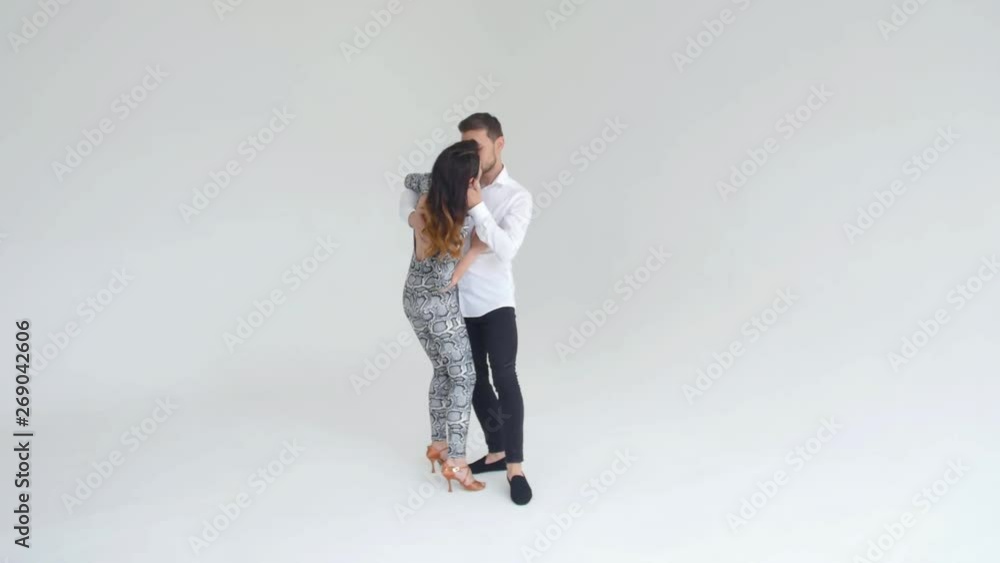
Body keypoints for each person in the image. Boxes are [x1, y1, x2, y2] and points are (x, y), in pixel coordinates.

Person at [400, 113, 534, 505]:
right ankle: (495, 451)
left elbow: (506, 249)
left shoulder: (516, 196)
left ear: (499, 144)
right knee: (472, 381)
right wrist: (413, 219)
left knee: (505, 377)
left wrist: (478, 208)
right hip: (454, 305)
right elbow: (409, 186)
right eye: (464, 146)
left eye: (476, 146)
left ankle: (515, 467)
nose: (470, 153)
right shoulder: (454, 178)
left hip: (495, 301)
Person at [402, 140, 489, 493]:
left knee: (442, 370)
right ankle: (457, 461)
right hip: (438, 306)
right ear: (468, 181)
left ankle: (438, 445)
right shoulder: (461, 219)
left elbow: (409, 179)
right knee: (464, 378)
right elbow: (443, 280)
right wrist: (474, 252)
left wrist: (412, 217)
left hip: (411, 299)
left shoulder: (427, 186)